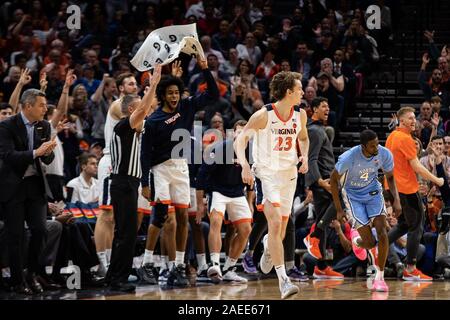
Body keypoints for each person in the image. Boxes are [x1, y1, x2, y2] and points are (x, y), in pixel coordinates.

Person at [140, 54, 219, 287]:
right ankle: (147, 262)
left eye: (177, 92)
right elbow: (144, 155)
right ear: (163, 95)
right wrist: (144, 182)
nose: (174, 96)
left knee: (185, 216)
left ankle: (178, 266)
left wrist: (205, 70)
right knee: (162, 214)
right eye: (170, 93)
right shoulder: (153, 121)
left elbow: (213, 95)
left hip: (181, 167)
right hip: (160, 169)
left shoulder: (186, 106)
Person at [235, 71, 309, 299]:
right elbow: (241, 138)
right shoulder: (263, 115)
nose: (303, 92)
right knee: (275, 223)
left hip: (289, 176)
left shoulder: (301, 115)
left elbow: (304, 138)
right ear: (289, 92)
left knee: (281, 230)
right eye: (299, 89)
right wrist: (245, 165)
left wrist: (304, 156)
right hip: (266, 174)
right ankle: (283, 280)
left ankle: (269, 244)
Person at [106, 65, 161, 292]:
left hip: (129, 184)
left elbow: (153, 110)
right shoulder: (123, 126)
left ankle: (114, 275)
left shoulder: (137, 131)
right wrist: (154, 83)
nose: (145, 113)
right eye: (140, 110)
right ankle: (117, 278)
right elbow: (144, 109)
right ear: (130, 110)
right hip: (123, 183)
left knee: (126, 232)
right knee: (126, 233)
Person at [329, 130, 402, 292]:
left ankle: (380, 277)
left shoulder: (384, 153)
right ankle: (358, 241)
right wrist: (339, 209)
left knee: (382, 232)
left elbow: (390, 177)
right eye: (372, 146)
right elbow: (333, 179)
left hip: (374, 193)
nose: (376, 147)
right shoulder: (349, 157)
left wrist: (396, 199)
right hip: (353, 196)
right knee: (370, 243)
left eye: (377, 143)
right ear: (363, 146)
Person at [0, 89, 57, 294]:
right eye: (41, 105)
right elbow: (7, 155)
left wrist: (48, 153)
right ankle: (17, 280)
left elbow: (46, 159)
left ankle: (32, 274)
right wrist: (36, 152)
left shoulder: (45, 125)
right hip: (12, 187)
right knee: (15, 236)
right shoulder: (6, 125)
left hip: (35, 185)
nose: (45, 109)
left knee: (41, 230)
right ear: (28, 106)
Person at [385, 106, 445, 281]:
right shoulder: (405, 139)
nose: (414, 121)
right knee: (416, 226)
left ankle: (379, 244)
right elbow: (417, 166)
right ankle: (410, 268)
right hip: (407, 188)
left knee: (403, 224)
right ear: (401, 120)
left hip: (395, 187)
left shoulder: (392, 136)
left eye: (414, 118)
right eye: (410, 118)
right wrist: (437, 180)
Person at [196, 120, 251, 284]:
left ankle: (229, 268)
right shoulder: (220, 149)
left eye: (245, 132)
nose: (241, 135)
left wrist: (250, 202)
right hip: (217, 190)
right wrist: (200, 203)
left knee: (246, 229)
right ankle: (214, 265)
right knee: (215, 222)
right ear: (233, 133)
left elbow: (252, 182)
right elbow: (201, 176)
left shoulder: (252, 151)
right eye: (238, 131)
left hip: (237, 193)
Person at [95, 72, 139, 277]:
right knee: (106, 214)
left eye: (136, 83)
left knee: (120, 220)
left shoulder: (134, 106)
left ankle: (114, 265)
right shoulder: (118, 105)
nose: (135, 86)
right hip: (112, 162)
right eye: (130, 84)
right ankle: (100, 263)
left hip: (127, 166)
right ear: (121, 88)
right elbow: (137, 123)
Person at [303, 97, 344, 280]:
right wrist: (319, 181)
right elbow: (311, 159)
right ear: (314, 109)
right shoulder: (315, 131)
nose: (328, 108)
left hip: (324, 179)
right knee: (341, 202)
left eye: (328, 106)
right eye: (323, 106)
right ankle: (315, 235)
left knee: (324, 220)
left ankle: (321, 267)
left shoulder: (319, 129)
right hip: (324, 180)